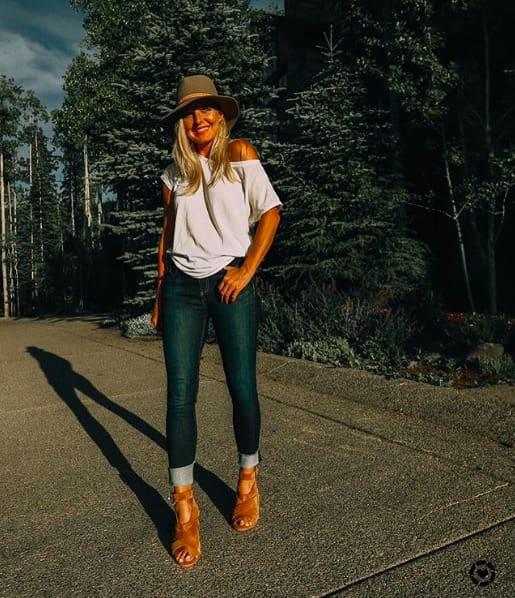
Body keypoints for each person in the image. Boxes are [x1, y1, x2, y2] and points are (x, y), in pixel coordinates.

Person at [152, 75, 282, 568]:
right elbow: (167, 235)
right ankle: (185, 506)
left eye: (207, 109)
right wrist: (160, 291)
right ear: (181, 124)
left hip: (230, 286)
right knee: (180, 395)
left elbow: (270, 212)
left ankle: (248, 479)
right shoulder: (173, 175)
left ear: (221, 116)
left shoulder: (241, 155)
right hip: (182, 288)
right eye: (189, 112)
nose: (198, 118)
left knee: (242, 387)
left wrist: (247, 269)